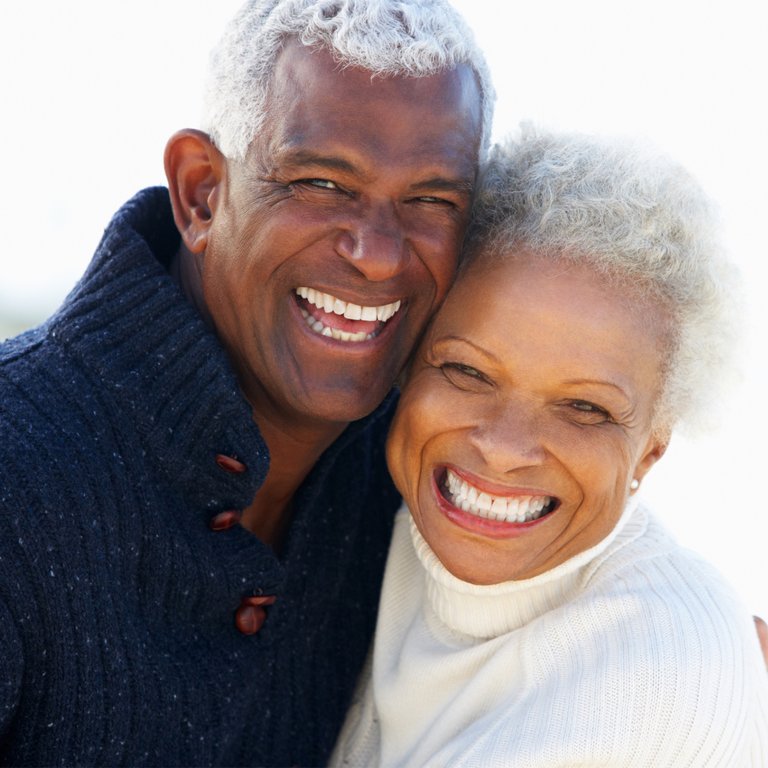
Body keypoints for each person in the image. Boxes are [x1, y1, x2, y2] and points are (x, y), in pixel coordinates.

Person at [0, 1, 493, 765]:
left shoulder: (426, 477)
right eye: (323, 182)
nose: (379, 255)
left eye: (431, 199)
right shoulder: (14, 476)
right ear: (201, 193)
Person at [331, 128, 768, 766]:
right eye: (466, 371)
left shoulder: (660, 668)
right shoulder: (368, 523)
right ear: (405, 369)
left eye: (585, 408)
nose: (505, 449)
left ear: (651, 450)